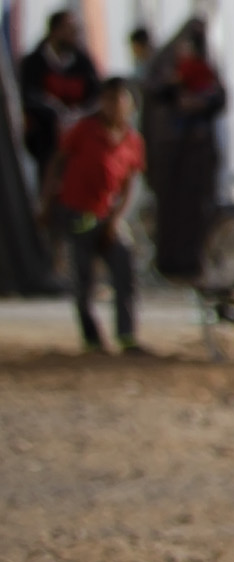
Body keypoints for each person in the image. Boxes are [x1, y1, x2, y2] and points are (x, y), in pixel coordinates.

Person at [52, 76, 150, 355]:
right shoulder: (84, 130)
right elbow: (58, 161)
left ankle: (127, 335)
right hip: (77, 213)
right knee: (83, 280)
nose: (115, 106)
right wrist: (48, 200)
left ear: (129, 105)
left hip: (109, 216)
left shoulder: (132, 140)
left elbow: (130, 183)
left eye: (120, 100)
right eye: (109, 100)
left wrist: (117, 218)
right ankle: (92, 339)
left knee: (124, 269)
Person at [144, 18, 226, 279]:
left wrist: (201, 103)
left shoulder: (206, 66)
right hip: (171, 152)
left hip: (198, 151)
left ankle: (195, 260)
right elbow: (155, 96)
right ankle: (168, 262)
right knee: (170, 210)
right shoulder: (165, 65)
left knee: (199, 210)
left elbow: (219, 98)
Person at [18, 7, 98, 183]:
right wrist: (54, 112)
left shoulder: (84, 63)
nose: (75, 34)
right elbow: (28, 96)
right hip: (44, 143)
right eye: (70, 29)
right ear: (55, 30)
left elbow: (96, 97)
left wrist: (77, 115)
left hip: (79, 145)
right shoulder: (33, 63)